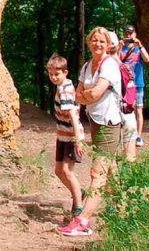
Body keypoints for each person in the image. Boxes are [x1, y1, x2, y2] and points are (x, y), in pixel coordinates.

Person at [59, 26, 123, 237]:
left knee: (98, 172)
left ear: (109, 44)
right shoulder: (87, 66)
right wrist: (88, 95)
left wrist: (87, 95)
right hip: (95, 121)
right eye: (94, 40)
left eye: (102, 41)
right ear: (89, 42)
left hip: (109, 123)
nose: (98, 44)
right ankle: (124, 208)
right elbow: (78, 96)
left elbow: (94, 93)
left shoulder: (110, 65)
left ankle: (83, 221)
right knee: (110, 168)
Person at [47, 54, 86, 219]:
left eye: (57, 74)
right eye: (51, 74)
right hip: (62, 136)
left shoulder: (65, 91)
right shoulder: (64, 86)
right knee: (58, 170)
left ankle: (78, 207)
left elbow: (73, 116)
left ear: (65, 72)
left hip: (71, 137)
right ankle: (78, 191)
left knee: (66, 171)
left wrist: (78, 140)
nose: (54, 77)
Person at [119, 25, 149, 147]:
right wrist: (119, 46)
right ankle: (123, 135)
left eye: (130, 33)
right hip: (124, 85)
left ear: (135, 34)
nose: (128, 35)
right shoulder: (121, 49)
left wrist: (140, 45)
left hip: (137, 83)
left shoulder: (138, 49)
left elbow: (147, 59)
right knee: (122, 109)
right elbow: (116, 60)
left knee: (138, 109)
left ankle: (138, 136)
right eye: (126, 33)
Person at [108, 31, 138, 162]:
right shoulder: (124, 66)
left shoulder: (105, 66)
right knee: (130, 150)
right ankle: (131, 178)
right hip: (128, 110)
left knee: (109, 155)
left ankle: (112, 181)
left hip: (111, 112)